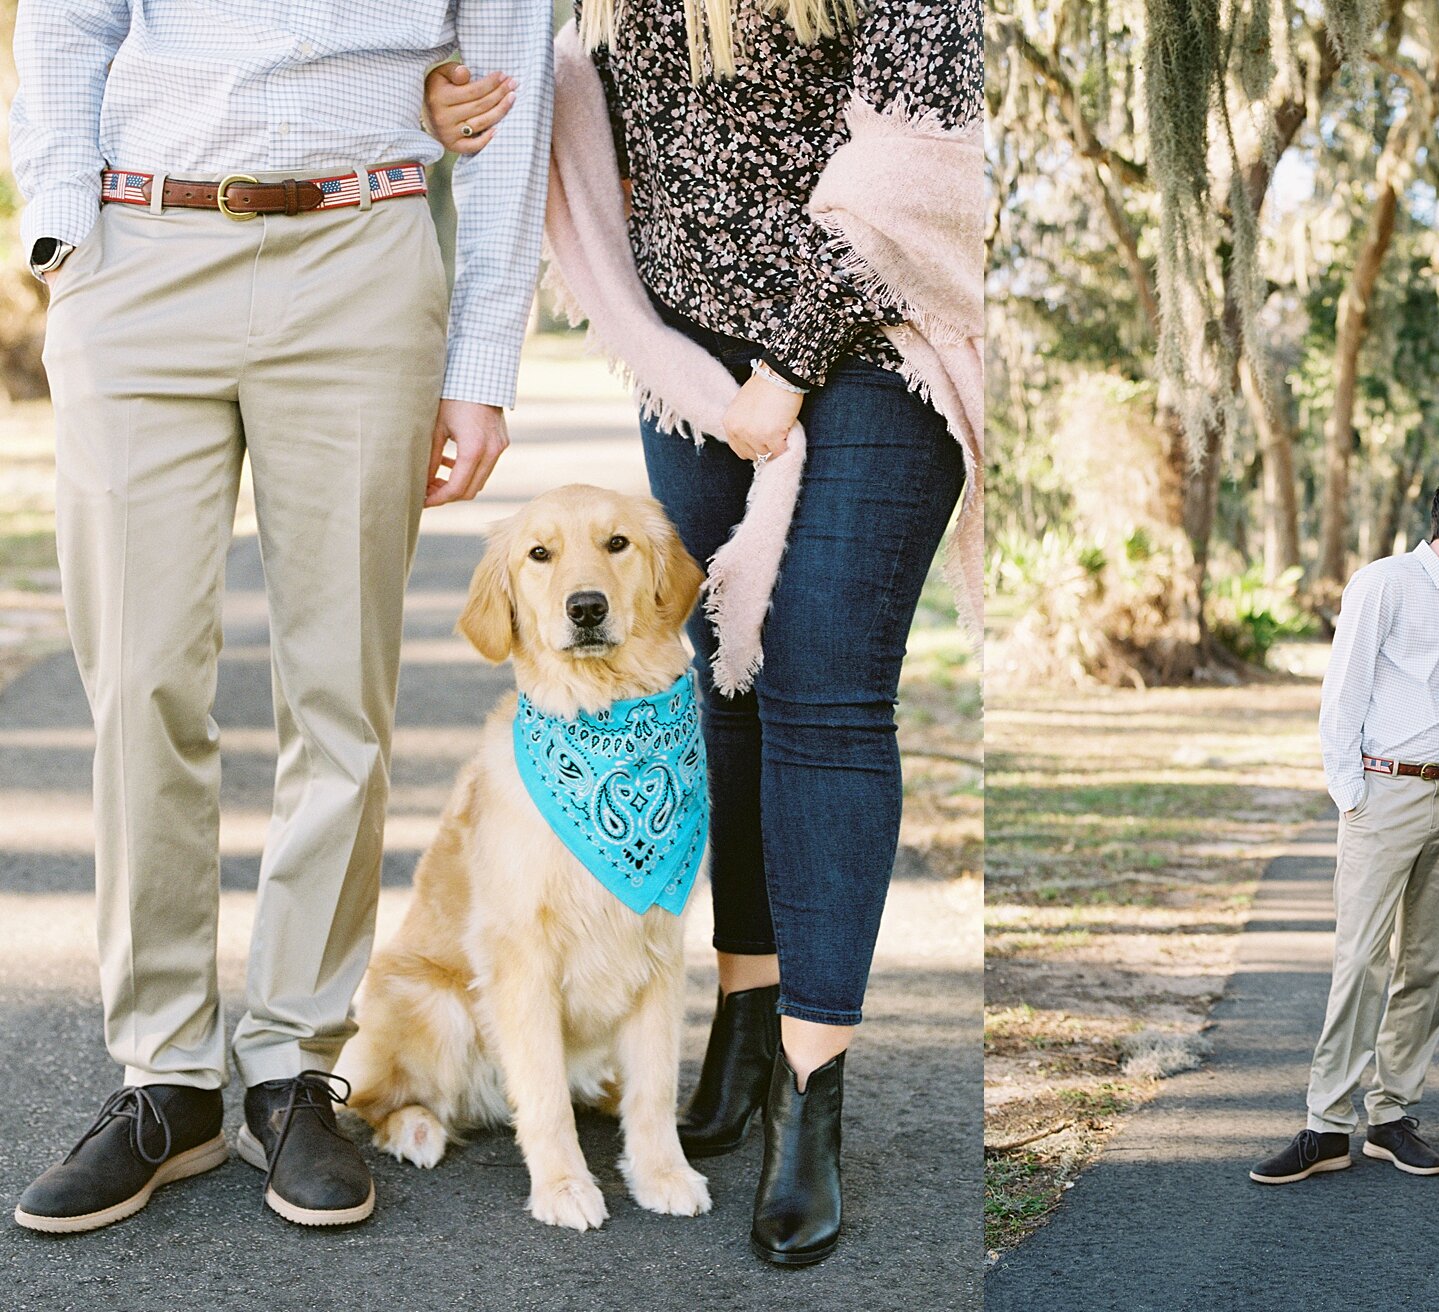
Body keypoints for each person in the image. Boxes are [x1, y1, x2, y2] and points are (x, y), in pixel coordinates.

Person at [427, 0, 983, 1266]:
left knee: (824, 692)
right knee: (714, 690)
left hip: (878, 341)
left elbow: (919, 156)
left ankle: (811, 1092)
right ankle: (741, 1011)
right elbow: (561, 100)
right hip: (687, 363)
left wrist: (784, 371)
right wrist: (442, 101)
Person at [9, 1, 551, 1232]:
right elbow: (64, 22)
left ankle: (294, 1064)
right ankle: (166, 1076)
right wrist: (62, 233)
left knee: (338, 691)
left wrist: (481, 365)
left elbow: (515, 92)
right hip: (141, 251)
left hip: (361, 261)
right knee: (140, 680)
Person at [1250, 474, 1439, 1185]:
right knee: (1360, 961)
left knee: (1425, 965)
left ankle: (1391, 1115)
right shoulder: (1382, 584)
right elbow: (1342, 693)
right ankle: (1325, 1125)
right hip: (1382, 794)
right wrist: (1351, 797)